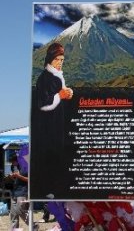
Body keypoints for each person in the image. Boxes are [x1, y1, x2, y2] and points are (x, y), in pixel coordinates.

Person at [31, 42, 73, 199]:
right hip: (47, 128)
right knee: (49, 157)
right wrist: (60, 96)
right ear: (50, 59)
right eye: (57, 59)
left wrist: (67, 94)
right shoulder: (44, 79)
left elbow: (59, 94)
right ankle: (47, 189)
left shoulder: (56, 76)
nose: (60, 63)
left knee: (58, 156)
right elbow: (42, 103)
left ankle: (56, 187)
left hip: (57, 125)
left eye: (62, 60)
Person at [9, 154, 31, 230]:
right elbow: (16, 180)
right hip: (14, 191)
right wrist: (12, 177)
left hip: (23, 191)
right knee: (13, 213)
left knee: (20, 210)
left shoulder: (26, 167)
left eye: (13, 162)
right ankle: (14, 229)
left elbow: (30, 180)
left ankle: (33, 225)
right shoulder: (13, 167)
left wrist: (19, 176)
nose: (12, 164)